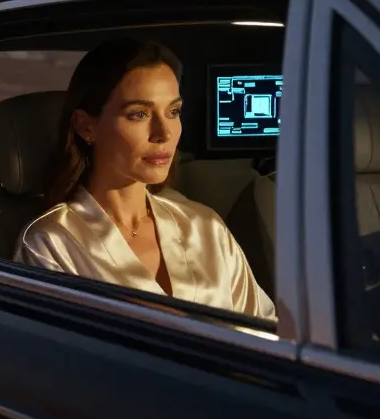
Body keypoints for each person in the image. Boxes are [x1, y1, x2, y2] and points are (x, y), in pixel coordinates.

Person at [15, 38, 276, 321]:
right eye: (139, 114)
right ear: (85, 125)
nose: (164, 132)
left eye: (173, 112)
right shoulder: (52, 243)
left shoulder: (206, 227)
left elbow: (264, 334)